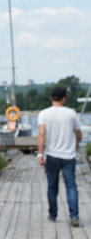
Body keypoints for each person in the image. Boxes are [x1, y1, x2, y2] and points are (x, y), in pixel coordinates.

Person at [37, 86, 82, 227]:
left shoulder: (44, 114)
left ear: (51, 98)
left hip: (52, 155)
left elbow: (42, 134)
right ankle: (74, 216)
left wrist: (40, 154)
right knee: (71, 186)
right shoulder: (71, 113)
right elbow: (78, 134)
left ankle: (52, 214)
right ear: (64, 98)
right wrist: (76, 145)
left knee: (52, 186)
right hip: (69, 156)